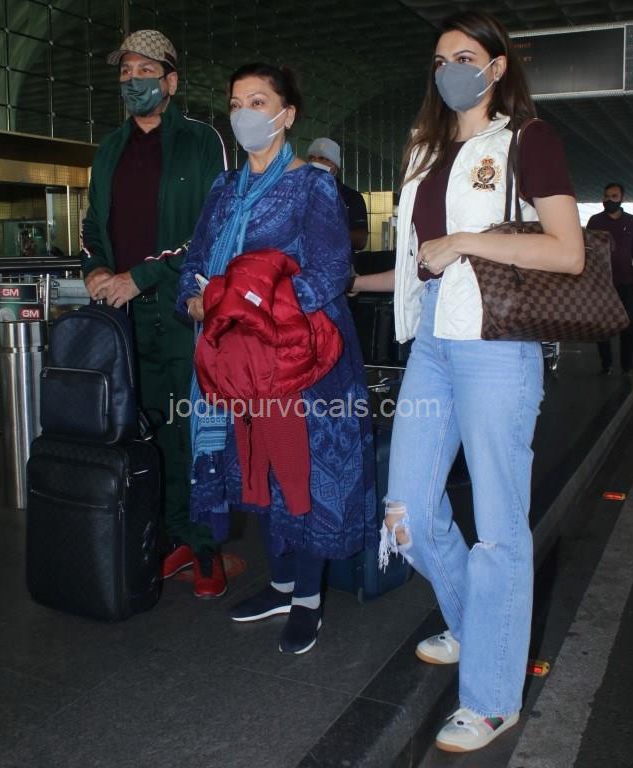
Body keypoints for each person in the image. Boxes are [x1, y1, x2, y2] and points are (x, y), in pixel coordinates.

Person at [378, 11, 584, 753]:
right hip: (433, 338)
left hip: (497, 343)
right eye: (440, 59)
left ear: (497, 68)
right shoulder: (425, 148)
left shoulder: (528, 140)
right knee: (406, 509)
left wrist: (465, 240)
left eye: (465, 57)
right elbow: (417, 258)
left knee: (498, 530)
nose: (450, 70)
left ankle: (493, 697)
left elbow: (568, 252)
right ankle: (477, 624)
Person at [177, 63, 376, 655]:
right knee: (257, 470)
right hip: (238, 365)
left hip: (302, 362)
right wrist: (197, 299)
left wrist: (253, 306)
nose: (244, 114)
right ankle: (283, 585)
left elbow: (330, 272)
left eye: (258, 101)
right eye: (236, 103)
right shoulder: (223, 190)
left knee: (303, 475)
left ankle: (308, 599)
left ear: (287, 115)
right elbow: (196, 262)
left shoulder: (313, 185)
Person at [80, 30, 228, 599]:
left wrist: (139, 277)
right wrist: (95, 268)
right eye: (125, 71)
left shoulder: (200, 142)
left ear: (170, 81)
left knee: (196, 428)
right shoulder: (109, 150)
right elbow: (93, 225)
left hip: (180, 310)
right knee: (146, 429)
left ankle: (205, 545)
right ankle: (167, 537)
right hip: (124, 320)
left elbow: (210, 230)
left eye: (145, 70)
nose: (132, 80)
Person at [586, 182, 633, 375]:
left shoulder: (632, 221)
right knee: (602, 324)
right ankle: (606, 364)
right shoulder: (595, 221)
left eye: (614, 196)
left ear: (622, 198)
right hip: (601, 283)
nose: (609, 200)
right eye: (606, 196)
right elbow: (587, 250)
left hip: (626, 281)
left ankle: (626, 366)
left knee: (627, 325)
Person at [307, 137, 369, 260]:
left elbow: (361, 240)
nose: (315, 162)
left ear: (335, 165)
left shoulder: (351, 197)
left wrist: (327, 231)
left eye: (322, 158)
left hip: (338, 264)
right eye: (311, 158)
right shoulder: (299, 192)